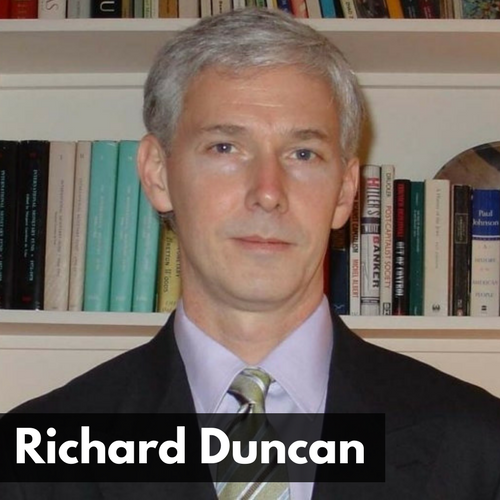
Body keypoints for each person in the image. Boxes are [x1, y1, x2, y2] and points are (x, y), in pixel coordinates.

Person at [2, 7, 500, 500]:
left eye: (303, 154)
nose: (268, 192)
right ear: (157, 174)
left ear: (346, 191)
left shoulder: (480, 445)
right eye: (225, 147)